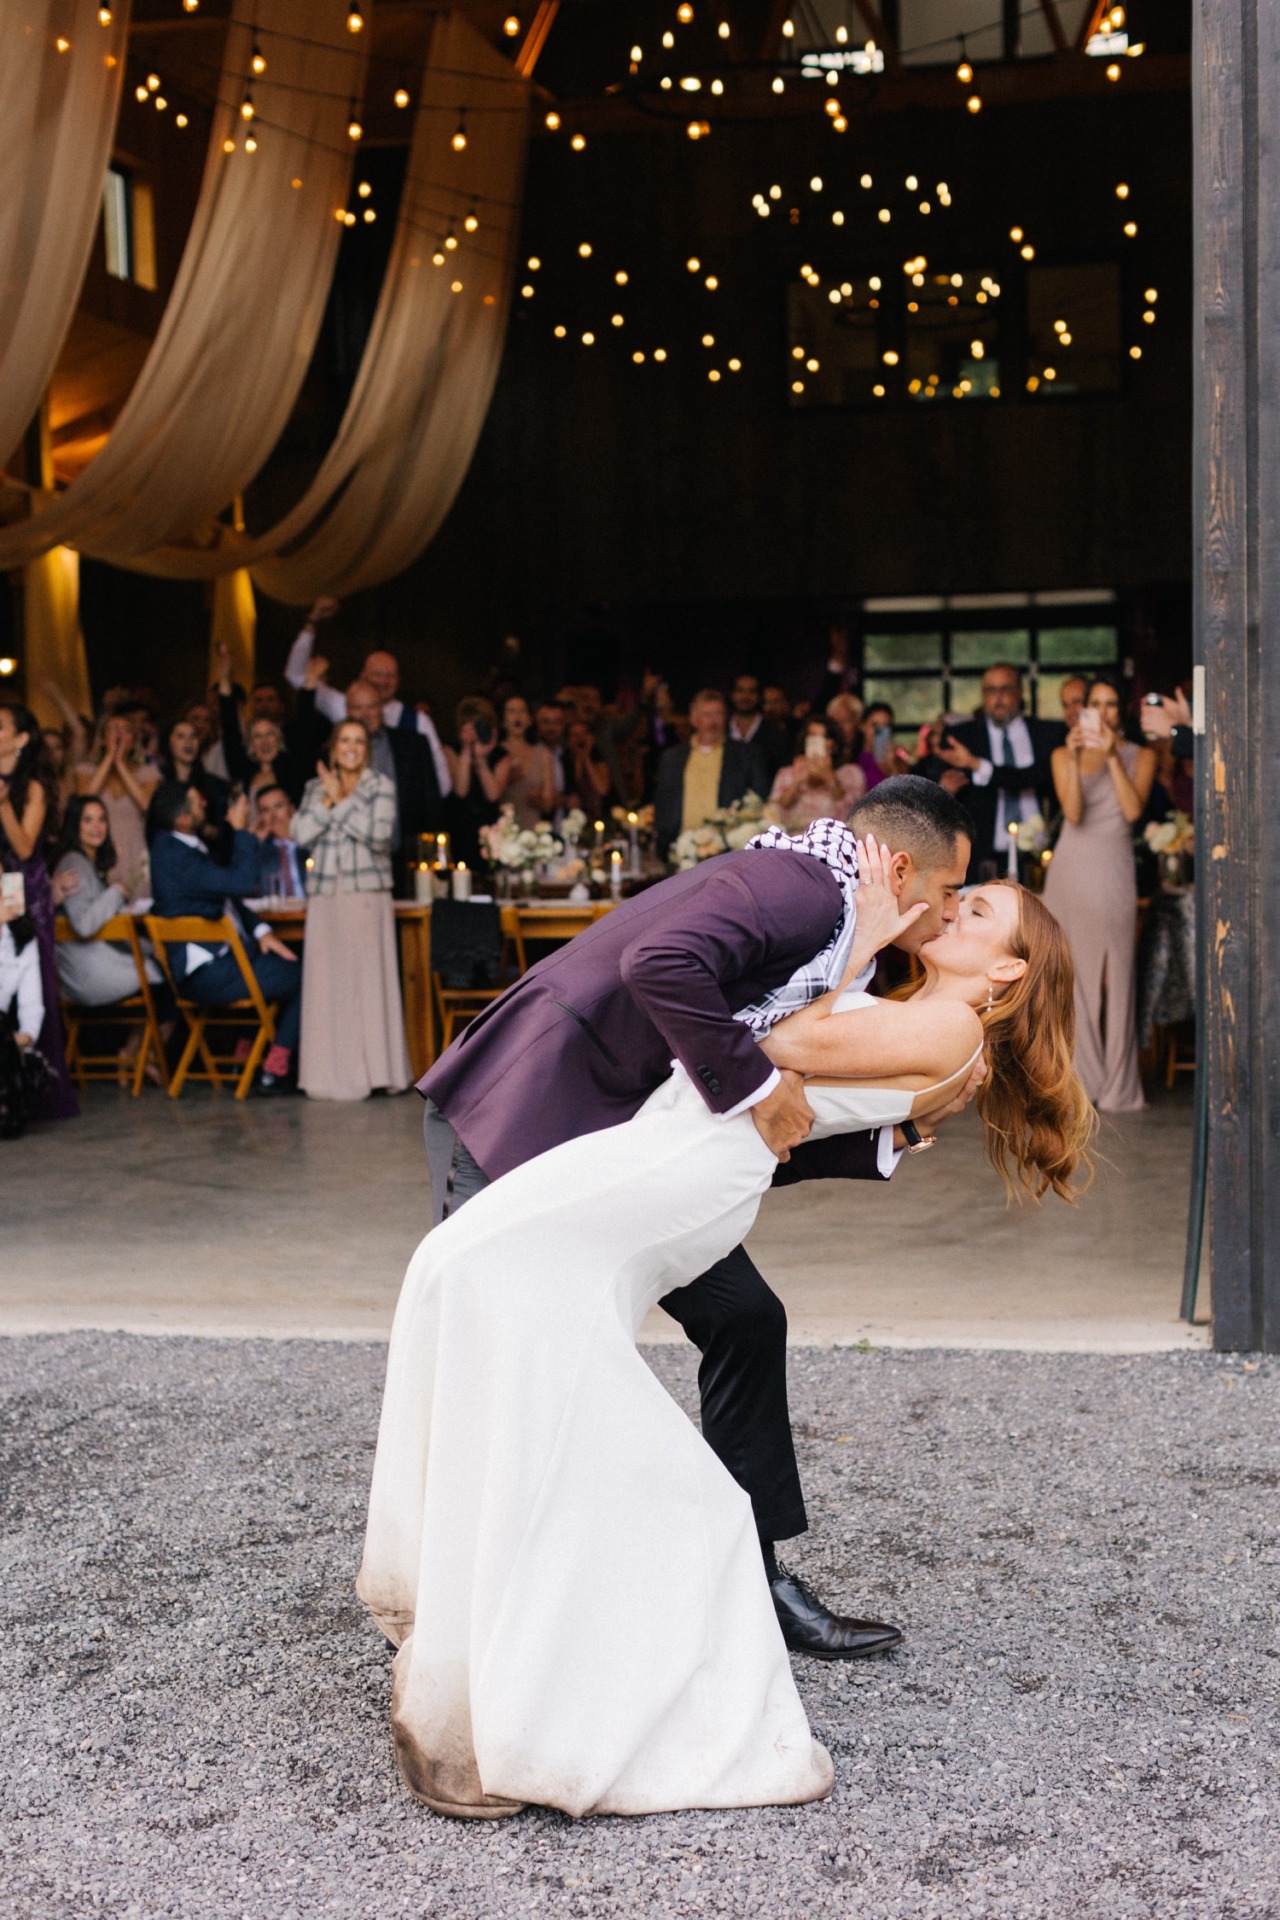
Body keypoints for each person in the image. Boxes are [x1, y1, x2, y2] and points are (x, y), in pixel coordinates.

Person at [361, 829, 1092, 1819]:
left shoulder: (946, 1026)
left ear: (1004, 971)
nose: (951, 908)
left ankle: (550, 1659)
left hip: (683, 1169)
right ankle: (501, 1633)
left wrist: (854, 950)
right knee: (486, 1306)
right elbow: (781, 1068)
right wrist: (863, 987)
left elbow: (770, 1046)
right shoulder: (897, 992)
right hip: (654, 1149)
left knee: (532, 1342)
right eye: (957, 893)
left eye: (976, 911)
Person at [416, 777, 976, 1669]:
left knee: (743, 1318)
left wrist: (878, 1136)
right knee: (517, 1360)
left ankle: (751, 1580)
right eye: (950, 894)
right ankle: (484, 1621)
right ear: (901, 868)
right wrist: (762, 1091)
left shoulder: (835, 923)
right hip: (520, 1118)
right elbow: (662, 972)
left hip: (612, 1142)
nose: (949, 918)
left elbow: (720, 1124)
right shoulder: (802, 890)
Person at [1043, 676, 1156, 1111]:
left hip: (1112, 871)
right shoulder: (1060, 753)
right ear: (1083, 709)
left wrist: (1111, 757)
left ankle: (1118, 1086)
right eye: (1095, 703)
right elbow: (1072, 811)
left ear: (1119, 712)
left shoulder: (1140, 755)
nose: (1102, 712)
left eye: (1111, 705)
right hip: (1069, 872)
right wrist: (1074, 757)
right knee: (1070, 978)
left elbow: (1132, 810)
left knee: (1114, 977)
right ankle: (1080, 1082)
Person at [149, 783, 302, 1095]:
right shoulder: (178, 855)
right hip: (209, 974)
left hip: (211, 966)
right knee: (304, 975)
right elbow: (242, 882)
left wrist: (262, 931)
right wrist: (240, 830)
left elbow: (225, 894)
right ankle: (276, 1066)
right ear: (181, 818)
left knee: (271, 967)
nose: (204, 805)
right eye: (196, 801)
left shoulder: (176, 849)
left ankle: (244, 1055)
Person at [292, 721, 410, 1102]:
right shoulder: (315, 788)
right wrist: (327, 801)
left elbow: (378, 835)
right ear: (333, 746)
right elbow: (299, 833)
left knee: (367, 982)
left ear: (367, 749)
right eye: (345, 740)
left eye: (359, 741)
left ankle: (376, 1071)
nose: (352, 747)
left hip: (365, 894)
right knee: (328, 982)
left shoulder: (380, 786)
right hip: (326, 895)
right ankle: (327, 1075)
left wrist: (338, 803)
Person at [53, 796, 175, 1082]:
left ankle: (134, 1054)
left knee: (158, 974)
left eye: (101, 819)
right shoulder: (74, 863)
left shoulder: (88, 863)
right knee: (167, 988)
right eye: (88, 820)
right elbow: (84, 925)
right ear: (75, 826)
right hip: (85, 972)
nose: (97, 827)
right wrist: (117, 891)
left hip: (88, 965)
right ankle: (139, 1056)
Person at [284, 601, 453, 800]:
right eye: (377, 674)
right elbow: (295, 675)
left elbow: (441, 782)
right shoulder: (344, 703)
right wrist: (311, 622)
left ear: (398, 680)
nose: (383, 681)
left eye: (390, 675)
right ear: (362, 676)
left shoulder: (418, 721)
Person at [0, 704, 77, 1119]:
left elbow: (26, 847)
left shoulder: (32, 787)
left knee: (31, 987)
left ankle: (36, 1090)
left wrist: (2, 806)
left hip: (24, 891)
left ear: (22, 738)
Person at [931, 664, 1063, 882]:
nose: (998, 698)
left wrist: (976, 764)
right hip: (982, 859)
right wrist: (943, 789)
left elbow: (1033, 777)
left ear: (1020, 692)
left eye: (1006, 689)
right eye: (991, 691)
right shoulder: (960, 737)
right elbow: (934, 787)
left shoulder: (1047, 734)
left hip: (1042, 857)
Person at [653, 688, 764, 855]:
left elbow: (758, 799)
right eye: (707, 715)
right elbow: (663, 803)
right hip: (682, 849)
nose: (713, 721)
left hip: (727, 849)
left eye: (718, 714)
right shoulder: (672, 757)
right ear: (694, 719)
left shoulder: (745, 755)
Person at [73, 711, 160, 894]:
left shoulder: (148, 773)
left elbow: (146, 805)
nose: (119, 734)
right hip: (98, 849)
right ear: (103, 738)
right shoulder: (85, 770)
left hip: (135, 849)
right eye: (113, 729)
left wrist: (120, 763)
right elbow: (85, 799)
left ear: (134, 741)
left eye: (126, 730)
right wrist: (109, 758)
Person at [766, 716, 866, 831]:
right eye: (813, 736)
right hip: (793, 840)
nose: (819, 742)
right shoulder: (786, 773)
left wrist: (831, 780)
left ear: (835, 745)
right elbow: (774, 815)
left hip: (833, 841)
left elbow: (854, 816)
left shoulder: (851, 773)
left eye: (824, 737)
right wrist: (796, 783)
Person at [729, 674, 791, 789]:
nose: (745, 696)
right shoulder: (721, 731)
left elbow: (784, 774)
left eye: (751, 691)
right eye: (740, 690)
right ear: (732, 695)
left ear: (759, 696)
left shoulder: (776, 733)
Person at [254, 785, 306, 898]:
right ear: (260, 817)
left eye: (278, 806)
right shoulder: (258, 850)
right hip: (273, 914)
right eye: (265, 810)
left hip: (313, 911)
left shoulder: (310, 843)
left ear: (292, 809)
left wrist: (293, 838)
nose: (273, 815)